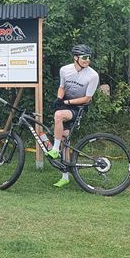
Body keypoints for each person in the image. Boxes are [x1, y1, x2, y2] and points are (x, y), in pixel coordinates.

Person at [47, 44, 99, 187]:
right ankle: (65, 177)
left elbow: (87, 99)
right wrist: (59, 98)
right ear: (76, 58)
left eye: (89, 57)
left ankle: (54, 150)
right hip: (65, 103)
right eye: (84, 57)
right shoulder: (65, 70)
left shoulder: (93, 76)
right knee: (65, 140)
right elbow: (62, 87)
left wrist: (67, 101)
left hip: (79, 107)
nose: (87, 60)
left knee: (58, 115)